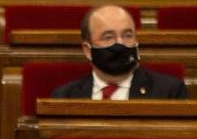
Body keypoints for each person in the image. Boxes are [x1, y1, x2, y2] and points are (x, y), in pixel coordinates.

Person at [50, 5, 187, 100]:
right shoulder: (65, 96)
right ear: (87, 50)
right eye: (108, 37)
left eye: (127, 35)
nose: (120, 44)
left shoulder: (169, 92)